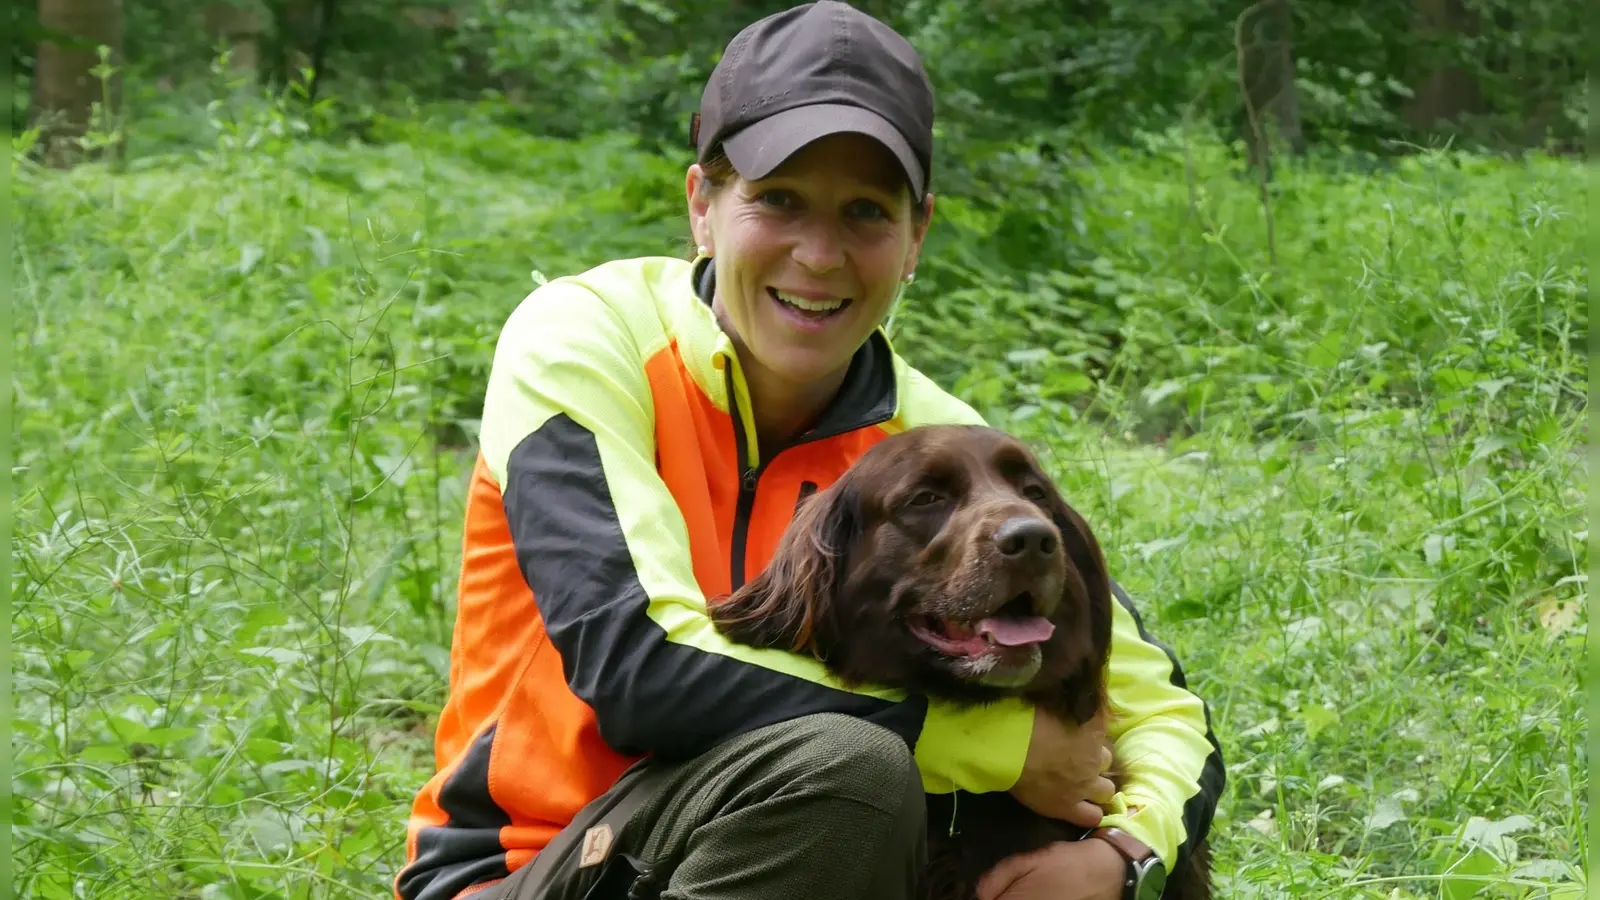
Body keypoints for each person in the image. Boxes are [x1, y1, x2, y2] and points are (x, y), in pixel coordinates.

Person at [393, 3, 1224, 900]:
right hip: (529, 864)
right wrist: (998, 751)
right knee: (851, 769)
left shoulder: (931, 440)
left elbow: (1161, 706)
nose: (819, 255)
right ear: (702, 207)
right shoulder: (584, 341)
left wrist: (1123, 858)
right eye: (778, 200)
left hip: (789, 852)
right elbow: (634, 667)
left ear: (917, 238)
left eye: (866, 212)